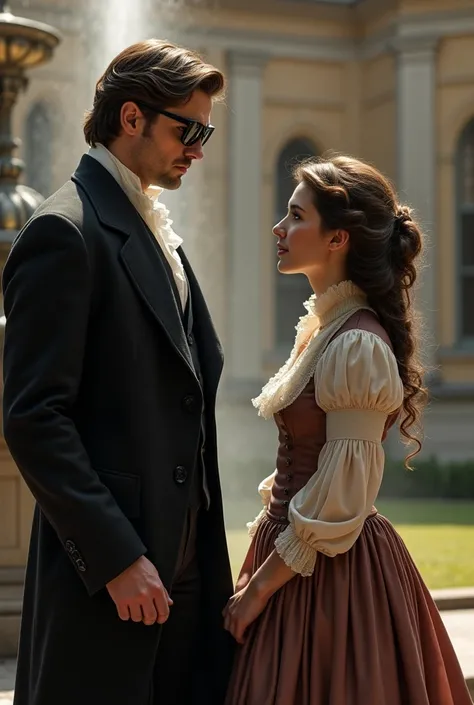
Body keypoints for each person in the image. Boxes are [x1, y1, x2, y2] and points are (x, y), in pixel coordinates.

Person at [2, 39, 234, 705]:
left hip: (185, 578)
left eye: (205, 133)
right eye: (186, 130)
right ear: (131, 119)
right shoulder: (62, 231)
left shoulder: (155, 230)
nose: (197, 149)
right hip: (111, 584)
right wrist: (117, 559)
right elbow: (34, 417)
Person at [223, 155, 472, 705]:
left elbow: (341, 498)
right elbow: (312, 458)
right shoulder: (324, 327)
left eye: (294, 216)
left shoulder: (356, 343)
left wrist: (259, 590)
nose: (278, 229)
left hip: (335, 576)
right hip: (296, 554)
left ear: (337, 238)